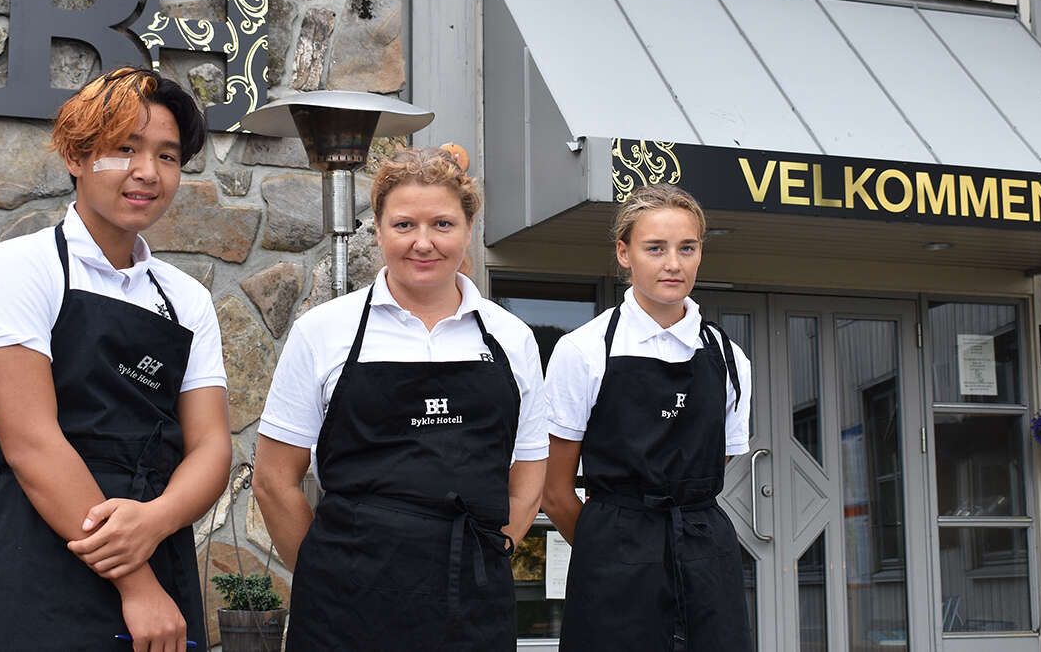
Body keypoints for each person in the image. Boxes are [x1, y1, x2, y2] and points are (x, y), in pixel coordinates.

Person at [0, 67, 232, 652]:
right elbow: (33, 444)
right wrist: (137, 583)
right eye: (124, 149)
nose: (147, 172)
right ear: (76, 157)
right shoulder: (19, 269)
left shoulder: (187, 299)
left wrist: (155, 521)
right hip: (41, 551)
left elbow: (211, 447)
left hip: (157, 541)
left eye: (167, 156)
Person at [252, 146, 548, 650]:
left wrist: (489, 555)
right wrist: (328, 577)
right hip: (342, 615)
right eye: (404, 224)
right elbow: (273, 481)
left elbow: (528, 479)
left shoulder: (512, 338)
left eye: (442, 224)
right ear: (379, 230)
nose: (423, 243)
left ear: (468, 230)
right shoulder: (322, 331)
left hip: (472, 611)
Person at [541, 183, 753, 651]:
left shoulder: (730, 358)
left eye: (687, 248)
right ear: (624, 253)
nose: (673, 263)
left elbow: (714, 465)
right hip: (614, 562)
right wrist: (611, 550)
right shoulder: (583, 351)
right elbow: (554, 492)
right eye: (655, 248)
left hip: (706, 561)